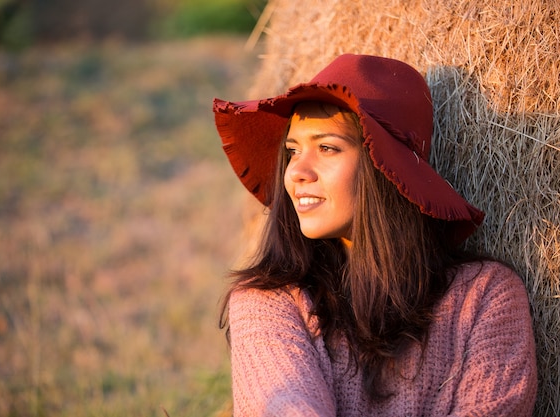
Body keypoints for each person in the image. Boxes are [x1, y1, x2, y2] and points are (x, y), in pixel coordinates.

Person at [212, 54, 537, 416]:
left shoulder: (486, 297)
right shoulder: (269, 302)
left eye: (327, 148)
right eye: (292, 151)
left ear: (386, 169)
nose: (296, 172)